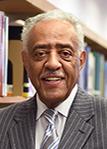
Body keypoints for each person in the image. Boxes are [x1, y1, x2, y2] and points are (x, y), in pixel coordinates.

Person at [0, 9, 107, 149]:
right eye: (40, 53)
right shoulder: (3, 122)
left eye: (65, 53)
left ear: (81, 61)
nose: (52, 64)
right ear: (25, 61)